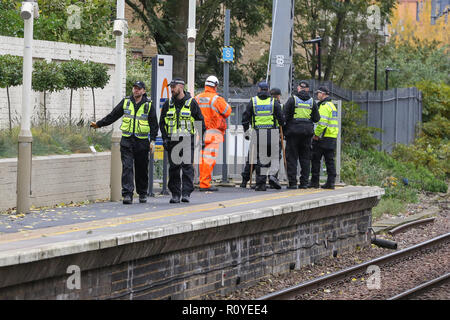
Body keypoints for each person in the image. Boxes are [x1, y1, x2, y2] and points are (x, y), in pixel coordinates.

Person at [90, 81, 158, 204]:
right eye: (134, 88)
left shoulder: (148, 105)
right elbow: (113, 115)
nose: (136, 90)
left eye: (139, 89)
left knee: (141, 169)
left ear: (143, 91)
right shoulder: (126, 102)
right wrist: (99, 124)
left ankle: (142, 193)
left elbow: (154, 124)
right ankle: (127, 194)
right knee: (127, 167)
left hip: (142, 141)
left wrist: (153, 140)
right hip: (127, 140)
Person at [159, 78, 206, 203]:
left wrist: (202, 139)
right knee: (174, 168)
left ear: (181, 86)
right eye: (171, 87)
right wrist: (164, 138)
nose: (172, 89)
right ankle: (175, 194)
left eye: (174, 87)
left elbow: (199, 121)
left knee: (187, 167)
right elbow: (162, 122)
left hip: (186, 139)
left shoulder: (191, 103)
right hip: (172, 139)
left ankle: (186, 193)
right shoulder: (168, 103)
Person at [242, 81, 285, 191]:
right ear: (268, 90)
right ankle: (272, 176)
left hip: (258, 134)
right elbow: (281, 119)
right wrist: (281, 125)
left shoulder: (253, 102)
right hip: (272, 133)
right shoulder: (273, 102)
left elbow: (245, 119)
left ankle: (260, 184)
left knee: (261, 159)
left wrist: (247, 134)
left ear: (259, 90)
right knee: (275, 157)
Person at [195, 75, 232, 192]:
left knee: (203, 158)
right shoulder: (217, 99)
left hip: (200, 132)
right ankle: (204, 184)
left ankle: (204, 181)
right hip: (213, 132)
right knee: (209, 159)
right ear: (215, 86)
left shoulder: (197, 98)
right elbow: (227, 111)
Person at [283, 80, 320, 189]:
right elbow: (316, 118)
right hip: (307, 134)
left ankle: (293, 183)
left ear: (299, 88)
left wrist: (286, 129)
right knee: (305, 159)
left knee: (292, 158)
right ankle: (304, 183)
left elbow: (285, 115)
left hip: (293, 133)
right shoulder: (312, 101)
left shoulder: (292, 100)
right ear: (308, 89)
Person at [309, 86, 339, 189]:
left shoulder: (324, 106)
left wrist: (316, 135)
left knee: (315, 159)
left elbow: (322, 123)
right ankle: (331, 182)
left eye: (318, 93)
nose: (317, 95)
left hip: (323, 137)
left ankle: (314, 182)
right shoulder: (332, 106)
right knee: (329, 160)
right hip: (331, 136)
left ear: (323, 94)